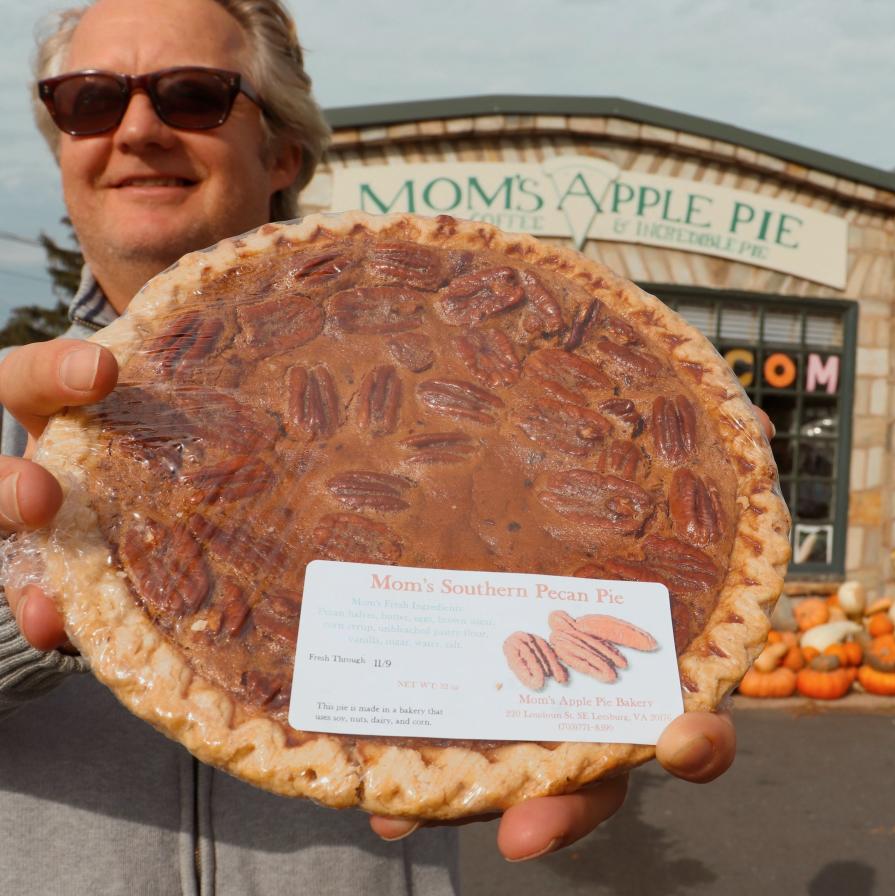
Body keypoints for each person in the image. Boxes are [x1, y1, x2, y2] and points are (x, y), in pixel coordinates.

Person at [0, 1, 739, 892]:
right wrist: (32, 589)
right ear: (63, 143)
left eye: (194, 95)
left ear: (283, 154)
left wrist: (646, 642)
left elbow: (607, 586)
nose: (138, 128)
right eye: (89, 100)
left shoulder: (441, 352)